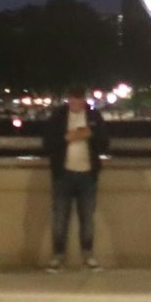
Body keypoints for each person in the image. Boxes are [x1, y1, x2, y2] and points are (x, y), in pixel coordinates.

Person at [42, 89, 108, 271]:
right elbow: (47, 144)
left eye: (79, 101)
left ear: (83, 101)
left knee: (87, 218)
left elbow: (105, 143)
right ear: (69, 100)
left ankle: (88, 255)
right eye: (73, 100)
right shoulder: (58, 117)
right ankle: (58, 256)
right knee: (60, 218)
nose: (76, 104)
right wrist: (67, 138)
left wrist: (90, 135)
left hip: (87, 175)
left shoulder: (94, 116)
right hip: (63, 175)